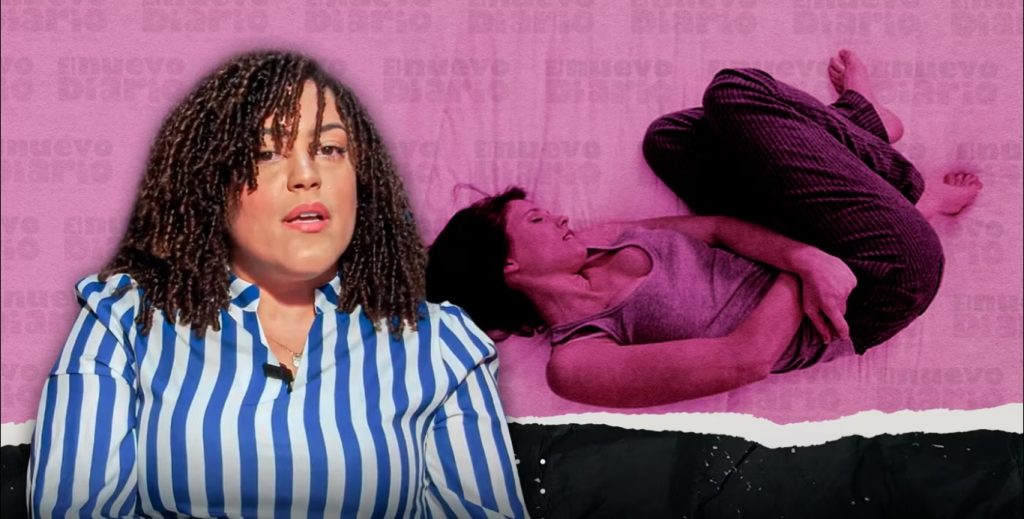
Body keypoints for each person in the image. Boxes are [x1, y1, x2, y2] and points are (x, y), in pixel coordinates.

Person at [27, 50, 527, 518]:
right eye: (267, 153)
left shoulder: (441, 342)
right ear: (210, 184)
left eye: (329, 148)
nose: (306, 176)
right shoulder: (124, 318)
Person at [426, 50, 982, 409]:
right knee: (734, 91)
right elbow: (748, 357)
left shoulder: (599, 238)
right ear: (508, 265)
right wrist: (810, 262)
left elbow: (715, 229)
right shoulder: (575, 365)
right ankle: (908, 187)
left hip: (806, 253)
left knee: (672, 140)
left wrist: (804, 255)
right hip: (874, 288)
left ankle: (865, 128)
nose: (561, 217)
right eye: (538, 220)